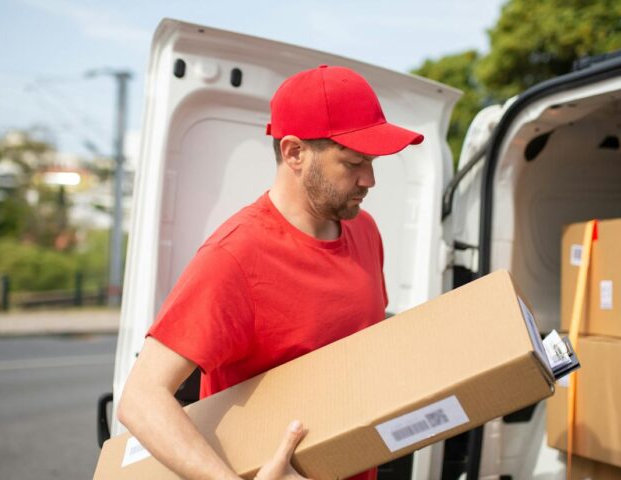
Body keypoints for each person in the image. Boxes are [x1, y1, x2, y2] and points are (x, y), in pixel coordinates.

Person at [117, 64, 424, 480]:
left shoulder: (365, 231)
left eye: (371, 162)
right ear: (294, 152)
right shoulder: (236, 257)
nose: (369, 179)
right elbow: (140, 398)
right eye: (353, 162)